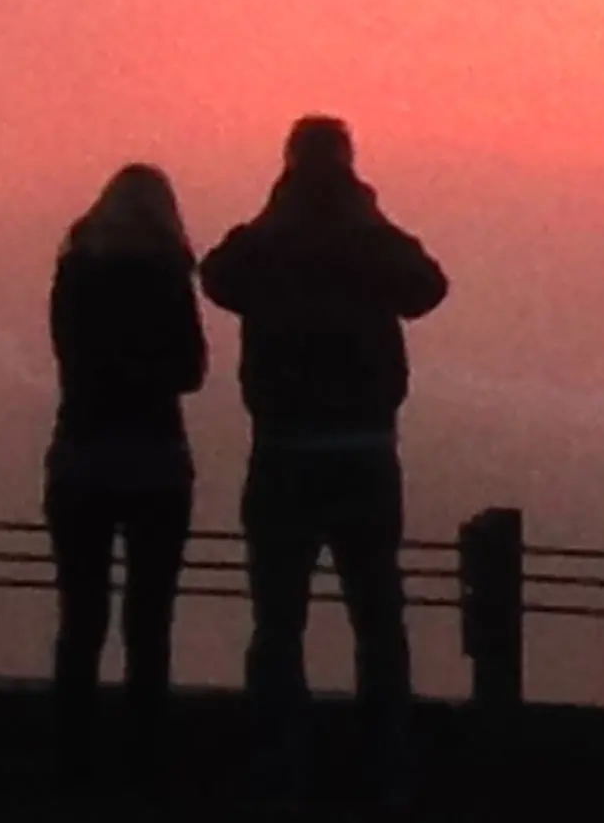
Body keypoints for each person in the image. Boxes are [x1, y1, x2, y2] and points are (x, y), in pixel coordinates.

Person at [198, 116, 448, 818]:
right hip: (365, 454)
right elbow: (428, 287)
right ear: (349, 161)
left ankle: (281, 767)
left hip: (281, 453)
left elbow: (217, 274)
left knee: (278, 623)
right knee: (377, 617)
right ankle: (387, 767)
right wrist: (372, 218)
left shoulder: (269, 242)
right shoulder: (369, 239)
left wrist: (271, 215)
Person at [42, 163, 208, 795]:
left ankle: (72, 759)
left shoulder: (75, 270)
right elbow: (192, 371)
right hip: (155, 459)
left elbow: (67, 351)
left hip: (80, 452)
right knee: (149, 618)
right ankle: (146, 760)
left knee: (81, 616)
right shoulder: (167, 274)